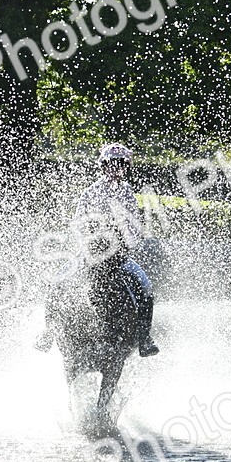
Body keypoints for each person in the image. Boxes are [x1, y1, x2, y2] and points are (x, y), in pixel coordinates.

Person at [35, 143, 160, 357]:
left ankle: (144, 339)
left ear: (125, 168)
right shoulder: (90, 192)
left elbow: (134, 229)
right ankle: (47, 333)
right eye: (111, 165)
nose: (115, 169)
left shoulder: (128, 194)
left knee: (146, 288)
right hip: (88, 254)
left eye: (120, 165)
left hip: (118, 256)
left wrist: (123, 239)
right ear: (103, 167)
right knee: (55, 282)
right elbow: (77, 224)